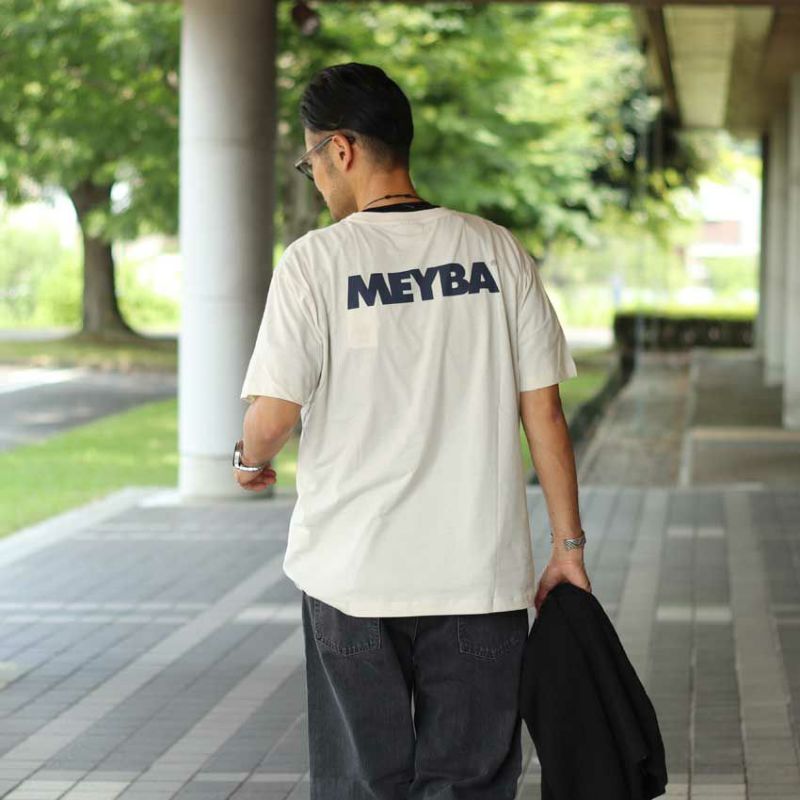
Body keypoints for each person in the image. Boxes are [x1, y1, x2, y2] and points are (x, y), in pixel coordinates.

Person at [233, 61, 592, 800]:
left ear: (340, 149)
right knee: (469, 785)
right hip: (479, 580)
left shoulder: (316, 262)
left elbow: (273, 417)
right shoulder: (497, 251)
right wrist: (567, 550)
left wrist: (246, 459)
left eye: (310, 162)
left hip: (353, 576)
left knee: (363, 785)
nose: (315, 178)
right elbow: (545, 416)